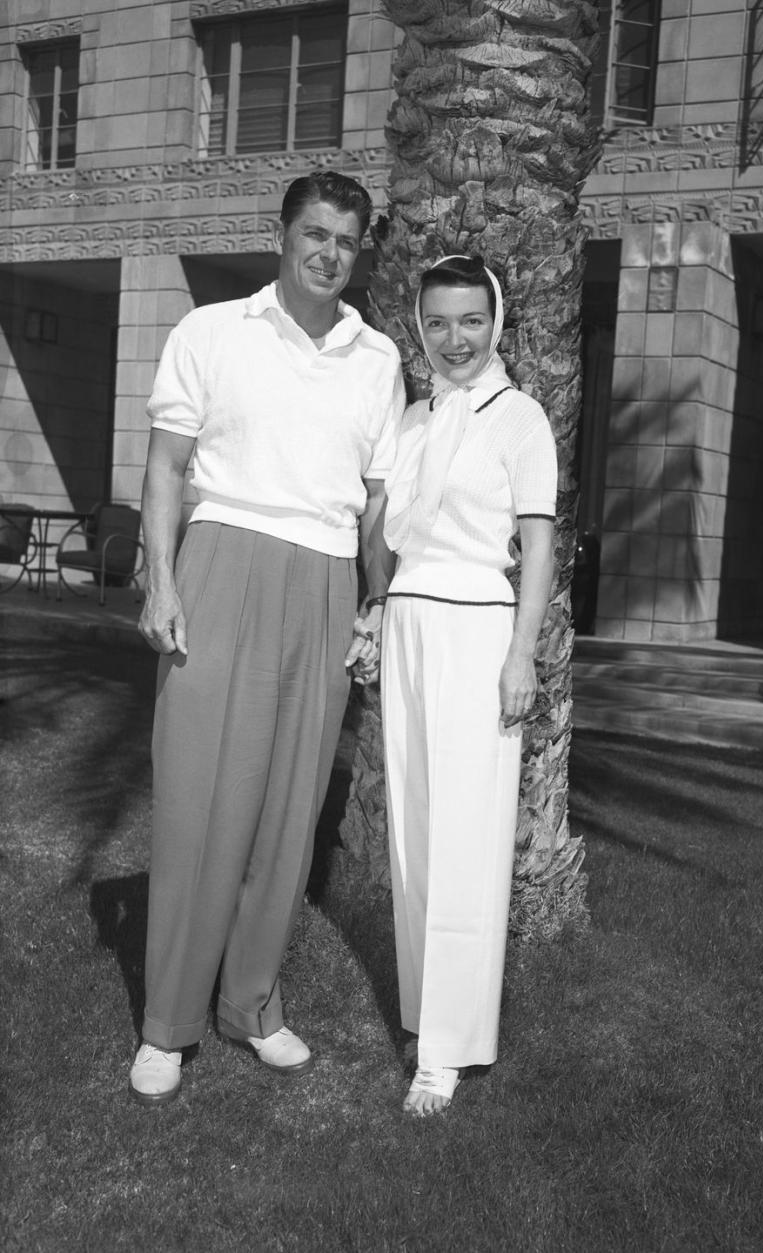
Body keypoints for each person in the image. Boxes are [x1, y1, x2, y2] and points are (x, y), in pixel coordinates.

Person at [128, 170, 404, 1106]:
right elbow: (165, 466)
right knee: (200, 802)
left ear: (359, 252)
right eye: (314, 234)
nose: (328, 254)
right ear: (281, 235)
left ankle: (251, 1004)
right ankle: (167, 1022)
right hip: (221, 564)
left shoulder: (379, 359)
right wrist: (161, 580)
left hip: (324, 581)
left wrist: (375, 602)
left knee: (288, 813)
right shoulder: (210, 333)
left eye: (345, 242)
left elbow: (373, 507)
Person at [380, 255, 557, 1116]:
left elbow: (539, 546)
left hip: (479, 626)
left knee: (466, 832)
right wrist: (374, 614)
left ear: (498, 322)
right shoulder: (413, 417)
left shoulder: (520, 418)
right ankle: (423, 1013)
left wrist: (521, 652)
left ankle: (447, 1049)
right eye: (440, 322)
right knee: (414, 828)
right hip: (409, 622)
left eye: (472, 322)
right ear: (422, 324)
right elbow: (392, 536)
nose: (457, 340)